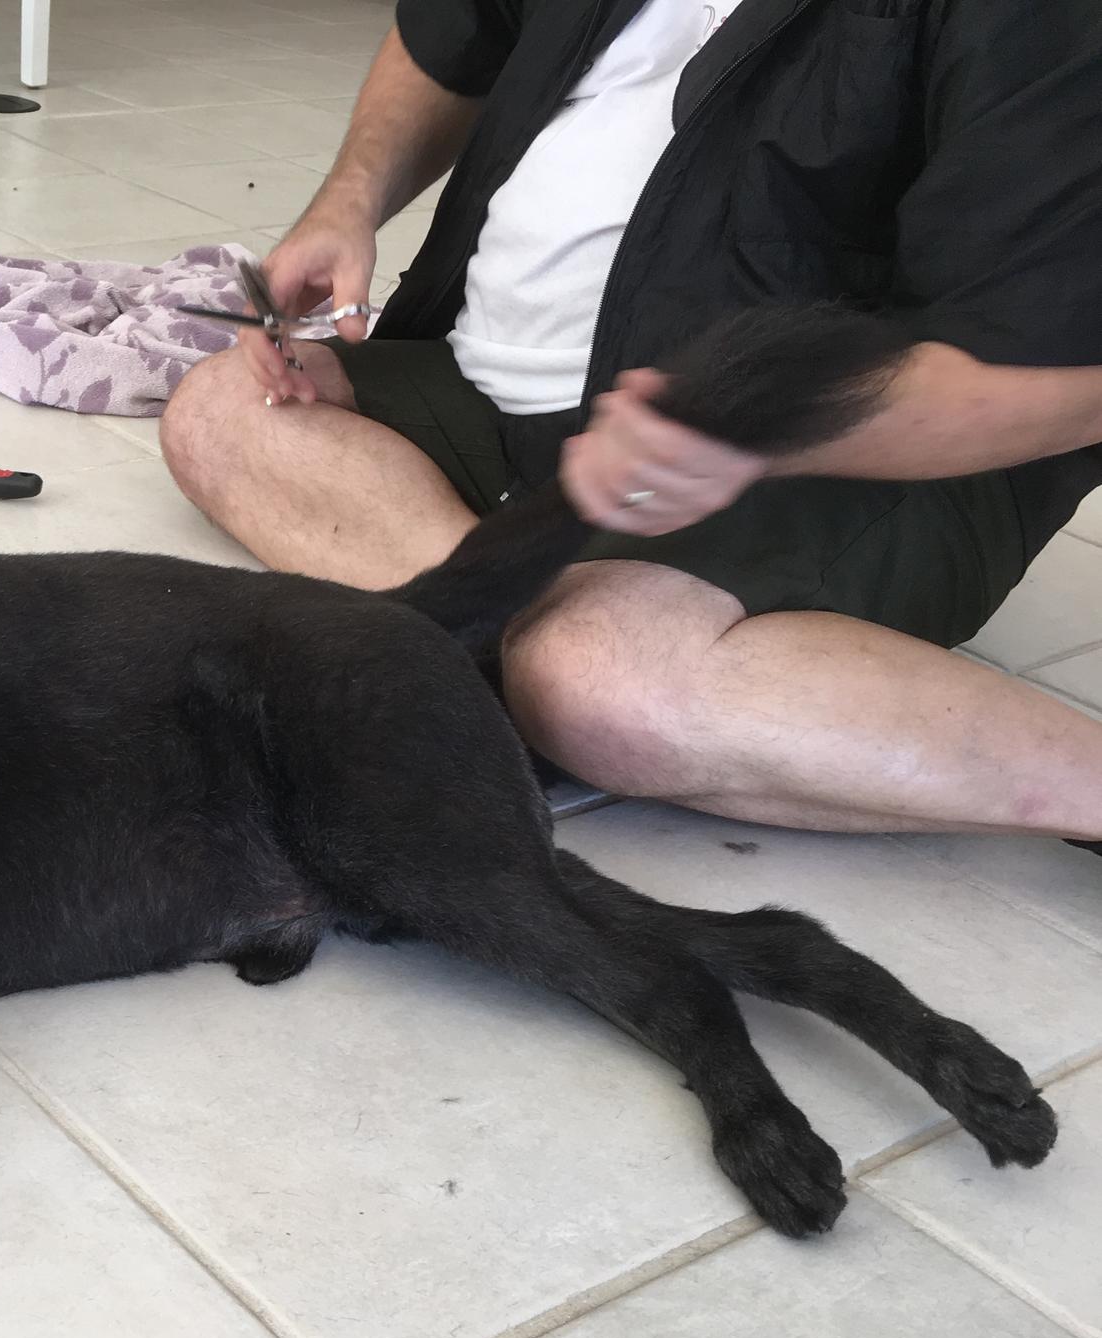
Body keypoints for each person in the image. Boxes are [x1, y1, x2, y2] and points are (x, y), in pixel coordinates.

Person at [161, 0, 1102, 840]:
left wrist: (754, 429)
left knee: (604, 677)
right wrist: (348, 201)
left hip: (847, 452)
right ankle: (499, 638)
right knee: (221, 410)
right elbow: (453, 33)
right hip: (518, 395)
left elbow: (1071, 380)